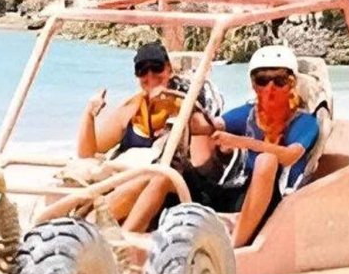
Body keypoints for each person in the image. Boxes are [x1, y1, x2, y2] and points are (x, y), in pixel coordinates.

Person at [75, 41, 216, 231]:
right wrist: (89, 113)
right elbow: (88, 153)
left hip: (178, 189)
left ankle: (104, 233)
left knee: (156, 177)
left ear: (169, 70)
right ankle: (79, 226)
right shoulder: (131, 109)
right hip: (133, 184)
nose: (150, 76)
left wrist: (172, 104)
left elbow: (208, 137)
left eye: (156, 68)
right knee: (77, 175)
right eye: (142, 70)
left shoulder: (185, 105)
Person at [193, 44, 320, 247]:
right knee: (198, 139)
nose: (270, 88)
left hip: (276, 200)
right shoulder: (249, 113)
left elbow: (289, 156)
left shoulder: (305, 122)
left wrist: (241, 142)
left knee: (266, 160)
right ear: (254, 84)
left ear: (292, 83)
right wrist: (188, 112)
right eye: (262, 80)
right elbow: (212, 126)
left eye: (279, 81)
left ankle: (235, 246)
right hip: (243, 189)